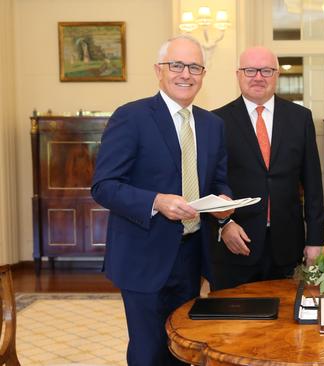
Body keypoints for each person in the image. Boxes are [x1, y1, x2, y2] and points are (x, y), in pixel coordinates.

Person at [91, 35, 232, 366]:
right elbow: (104, 186)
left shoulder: (213, 125)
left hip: (192, 254)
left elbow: (218, 179)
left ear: (203, 74)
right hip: (143, 255)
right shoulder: (132, 117)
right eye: (177, 65)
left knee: (184, 345)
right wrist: (156, 201)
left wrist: (223, 201)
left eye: (195, 67)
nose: (186, 74)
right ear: (159, 70)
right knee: (148, 350)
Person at [210, 46, 324, 290]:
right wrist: (224, 225)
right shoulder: (215, 121)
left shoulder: (300, 118)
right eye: (250, 70)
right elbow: (208, 182)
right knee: (232, 324)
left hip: (286, 245)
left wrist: (315, 239)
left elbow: (313, 183)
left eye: (266, 70)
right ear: (238, 74)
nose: (258, 77)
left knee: (283, 323)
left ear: (277, 75)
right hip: (235, 242)